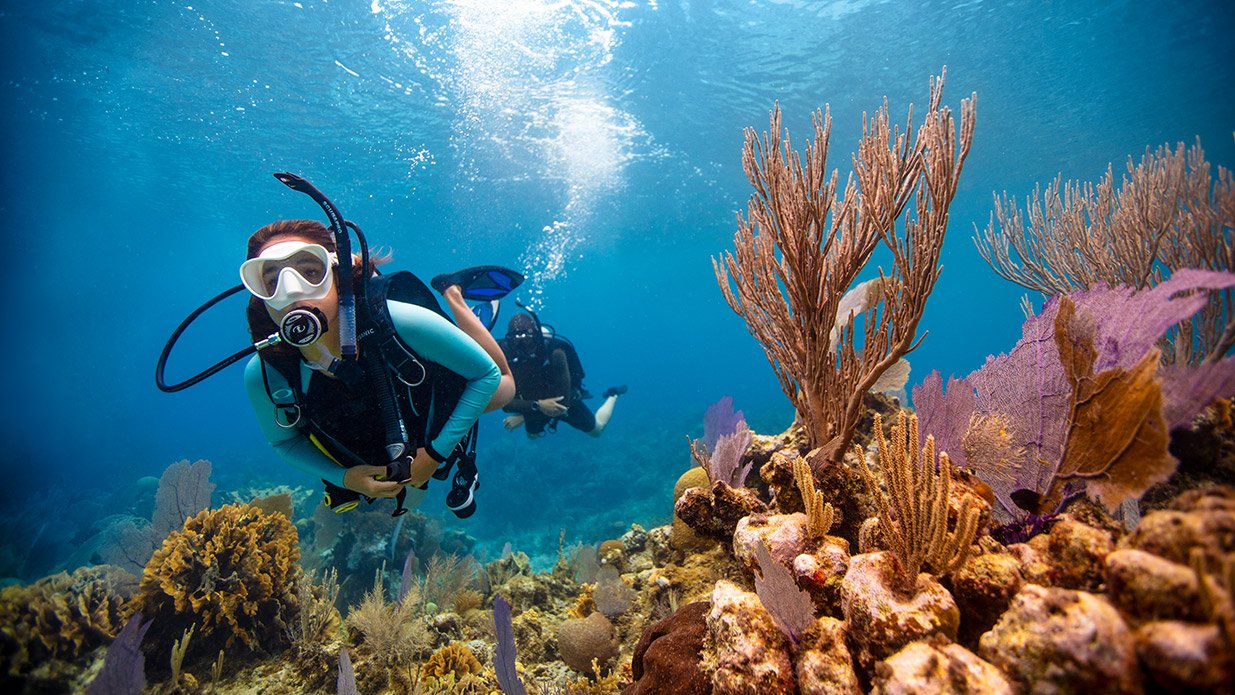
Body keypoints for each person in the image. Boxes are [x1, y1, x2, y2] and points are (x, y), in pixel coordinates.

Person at [241, 218, 521, 517]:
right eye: (272, 281)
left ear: (338, 276)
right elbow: (284, 441)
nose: (291, 292)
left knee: (505, 386)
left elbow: (486, 374)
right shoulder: (266, 374)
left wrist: (435, 453)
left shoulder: (402, 321)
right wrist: (345, 478)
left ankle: (453, 294)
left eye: (311, 272)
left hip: (434, 398)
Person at [497, 311, 626, 438]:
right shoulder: (506, 356)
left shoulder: (555, 352)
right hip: (535, 404)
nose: (522, 348)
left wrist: (526, 415)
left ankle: (613, 395)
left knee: (597, 430)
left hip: (564, 400)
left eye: (526, 341)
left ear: (536, 337)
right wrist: (537, 406)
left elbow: (563, 403)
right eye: (516, 342)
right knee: (532, 435)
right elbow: (503, 402)